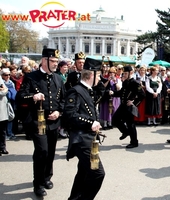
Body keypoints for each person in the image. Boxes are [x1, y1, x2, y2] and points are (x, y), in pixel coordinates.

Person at [16, 48, 66, 197]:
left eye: (57, 61)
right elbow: (20, 97)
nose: (56, 64)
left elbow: (64, 99)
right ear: (44, 61)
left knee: (50, 152)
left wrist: (59, 112)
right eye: (53, 61)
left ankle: (46, 177)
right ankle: (37, 183)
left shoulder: (58, 78)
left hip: (54, 122)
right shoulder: (32, 77)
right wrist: (33, 96)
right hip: (38, 122)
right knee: (42, 151)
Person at [63, 57, 105, 200]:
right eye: (98, 75)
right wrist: (90, 122)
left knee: (83, 172)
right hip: (81, 139)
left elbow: (101, 93)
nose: (100, 78)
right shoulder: (75, 91)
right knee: (97, 173)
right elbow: (69, 115)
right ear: (91, 75)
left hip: (89, 138)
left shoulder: (88, 90)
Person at [109, 65, 145, 148]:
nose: (124, 75)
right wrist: (113, 93)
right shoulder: (125, 82)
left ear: (131, 73)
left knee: (130, 124)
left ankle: (134, 142)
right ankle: (125, 132)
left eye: (125, 73)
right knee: (115, 119)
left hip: (129, 106)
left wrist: (134, 103)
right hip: (123, 105)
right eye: (123, 73)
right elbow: (122, 93)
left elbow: (142, 95)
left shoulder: (135, 83)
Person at [0, 76, 9, 156]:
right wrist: (3, 90)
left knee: (2, 130)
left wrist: (4, 90)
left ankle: (2, 147)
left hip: (2, 107)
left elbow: (5, 90)